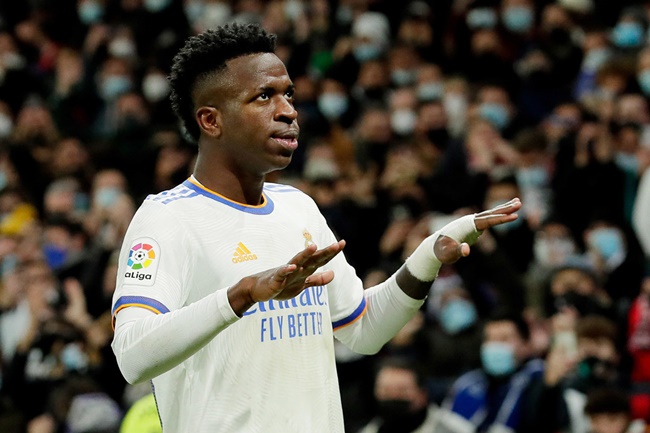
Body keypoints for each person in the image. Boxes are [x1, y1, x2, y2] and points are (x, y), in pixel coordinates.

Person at [110, 23, 522, 433]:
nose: (288, 111)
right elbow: (131, 355)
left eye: (288, 94)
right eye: (264, 96)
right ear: (211, 120)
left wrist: (427, 257)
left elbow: (363, 328)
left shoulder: (298, 207)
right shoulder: (167, 218)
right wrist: (242, 295)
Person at [356, 356, 441, 433]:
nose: (394, 396)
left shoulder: (445, 428)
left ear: (422, 395)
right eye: (386, 391)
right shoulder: (368, 429)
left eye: (402, 391)